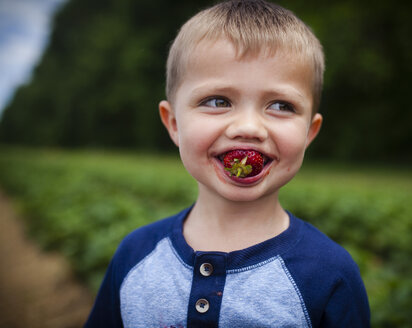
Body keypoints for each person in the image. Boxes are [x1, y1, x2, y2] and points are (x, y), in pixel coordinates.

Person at [85, 0, 370, 327]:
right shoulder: (135, 256)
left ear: (309, 132)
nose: (248, 128)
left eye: (280, 105)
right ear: (174, 123)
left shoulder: (330, 274)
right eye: (218, 101)